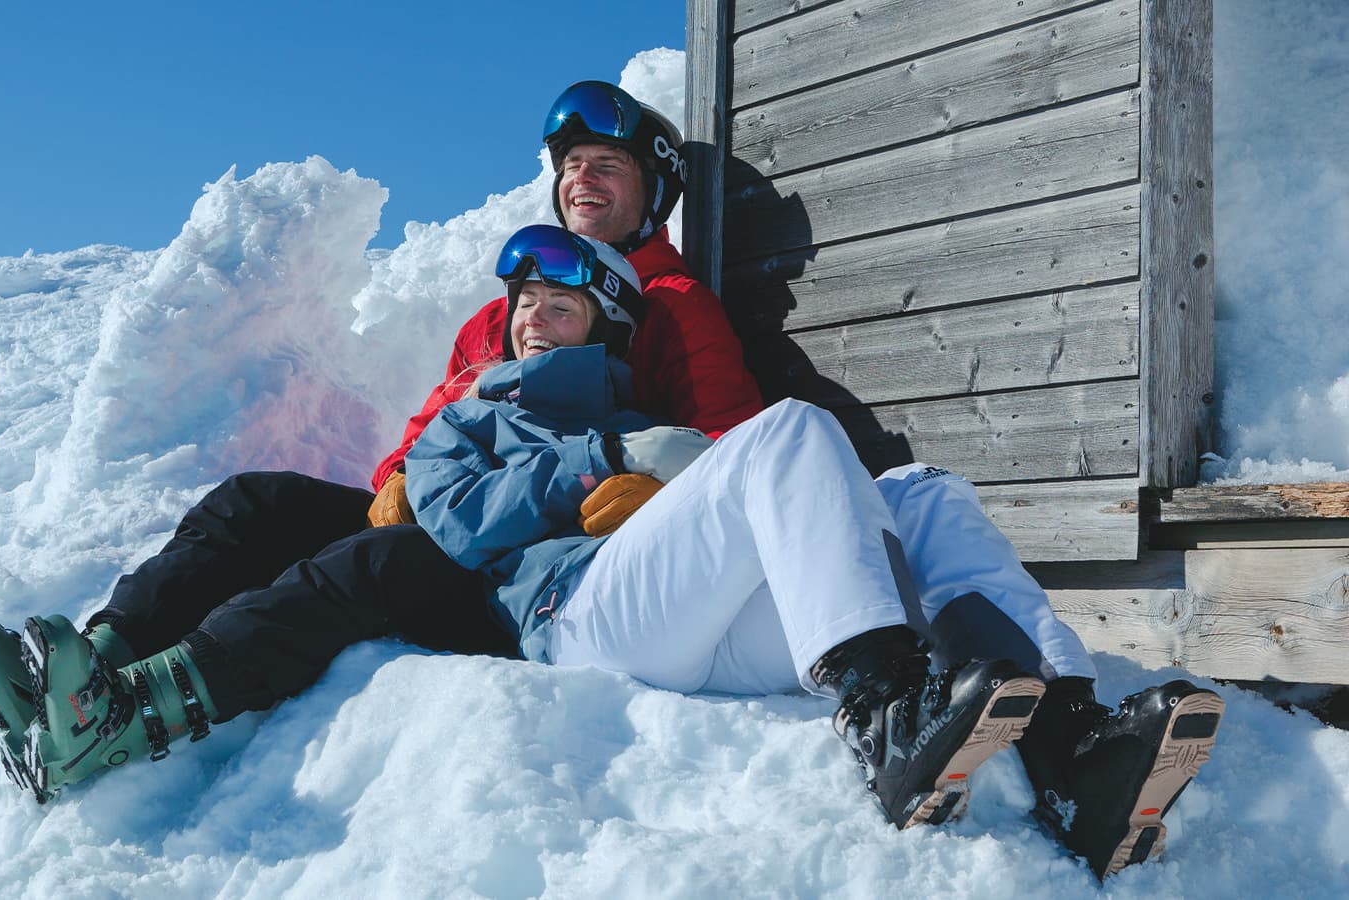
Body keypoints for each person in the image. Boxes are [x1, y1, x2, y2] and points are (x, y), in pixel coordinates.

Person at [0, 82, 763, 800]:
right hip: (448, 507)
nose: (582, 180)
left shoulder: (672, 303)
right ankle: (85, 673)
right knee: (255, 503)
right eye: (571, 165)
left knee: (370, 567)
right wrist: (400, 474)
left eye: (607, 167)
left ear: (651, 191)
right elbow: (433, 427)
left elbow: (725, 438)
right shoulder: (505, 310)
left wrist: (644, 488)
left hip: (531, 540)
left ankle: (136, 710)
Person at [402, 223, 1226, 878]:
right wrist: (607, 461)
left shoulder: (647, 426)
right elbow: (457, 521)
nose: (531, 320)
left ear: (605, 332)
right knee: (789, 428)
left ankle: (1070, 745)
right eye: (524, 304)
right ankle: (882, 710)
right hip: (578, 621)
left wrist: (645, 456)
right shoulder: (469, 422)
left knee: (923, 489)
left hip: (701, 633)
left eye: (558, 306)